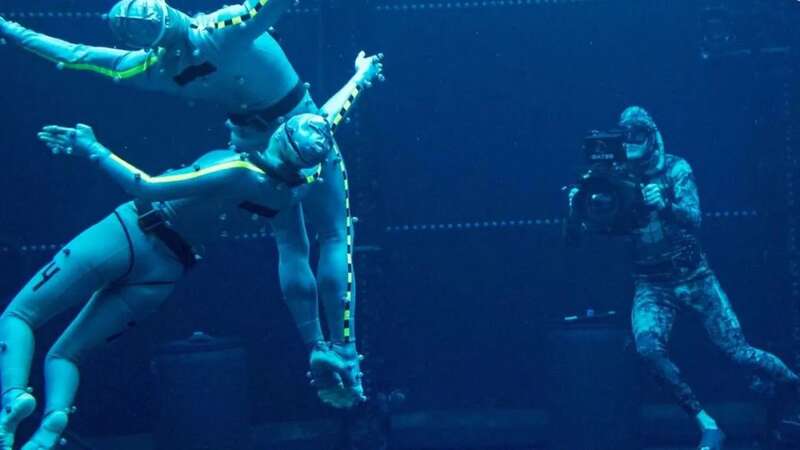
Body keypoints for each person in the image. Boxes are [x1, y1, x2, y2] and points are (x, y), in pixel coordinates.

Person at [0, 0, 382, 410]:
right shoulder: (225, 34)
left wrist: (12, 31)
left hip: (230, 164)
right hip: (280, 151)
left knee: (292, 245)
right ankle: (342, 350)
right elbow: (329, 112)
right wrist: (361, 76)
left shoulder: (157, 73)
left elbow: (78, 56)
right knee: (329, 237)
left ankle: (319, 344)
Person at [567, 106, 800, 450]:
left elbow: (694, 219)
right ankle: (707, 424)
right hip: (651, 283)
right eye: (625, 134)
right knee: (648, 349)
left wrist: (665, 205)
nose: (631, 140)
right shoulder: (612, 180)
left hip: (694, 276)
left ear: (652, 135)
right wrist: (577, 210)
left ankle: (793, 387)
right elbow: (588, 234)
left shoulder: (676, 169)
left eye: (638, 133)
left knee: (739, 353)